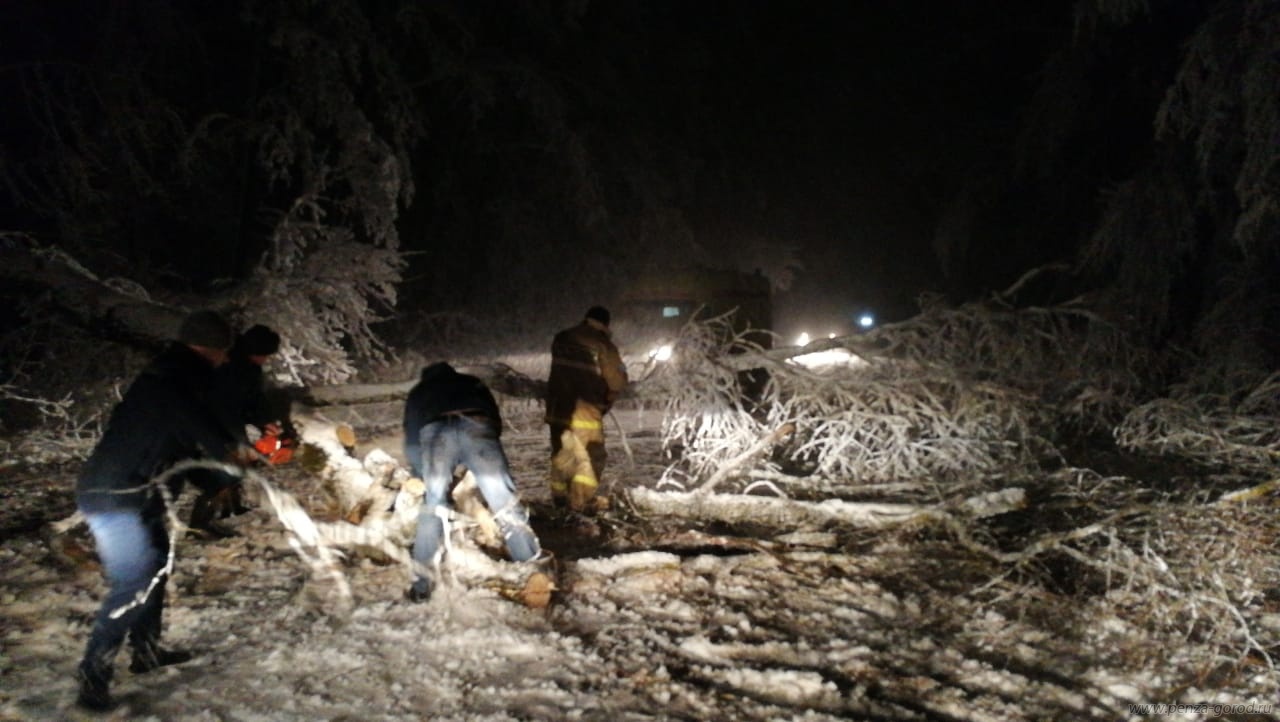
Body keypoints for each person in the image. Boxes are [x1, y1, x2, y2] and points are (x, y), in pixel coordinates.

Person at [73, 310, 250, 712]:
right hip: (115, 497)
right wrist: (236, 458)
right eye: (225, 351)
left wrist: (221, 480)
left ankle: (147, 651)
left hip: (141, 493)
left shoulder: (175, 380)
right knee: (134, 580)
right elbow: (206, 434)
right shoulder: (171, 384)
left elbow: (183, 451)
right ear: (212, 348)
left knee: (155, 568)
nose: (226, 359)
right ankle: (93, 673)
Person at [402, 362, 541, 602]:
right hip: (476, 425)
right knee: (504, 501)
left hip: (436, 433)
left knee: (433, 505)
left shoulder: (419, 392)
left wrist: (420, 473)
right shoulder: (471, 382)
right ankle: (533, 571)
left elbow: (413, 437)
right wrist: (484, 447)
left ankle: (422, 586)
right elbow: (494, 418)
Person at [188, 324, 283, 536]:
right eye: (264, 355)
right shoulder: (229, 367)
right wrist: (238, 437)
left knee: (235, 468)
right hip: (215, 424)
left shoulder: (249, 368)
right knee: (224, 472)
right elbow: (224, 404)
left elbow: (255, 399)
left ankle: (231, 508)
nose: (265, 359)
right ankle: (199, 524)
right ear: (255, 350)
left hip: (230, 423)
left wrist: (265, 421)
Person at [545, 306, 629, 514]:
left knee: (563, 456)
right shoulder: (603, 344)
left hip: (558, 411)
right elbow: (617, 381)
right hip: (585, 411)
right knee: (591, 458)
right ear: (606, 324)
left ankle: (560, 500)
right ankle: (581, 503)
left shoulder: (561, 338)